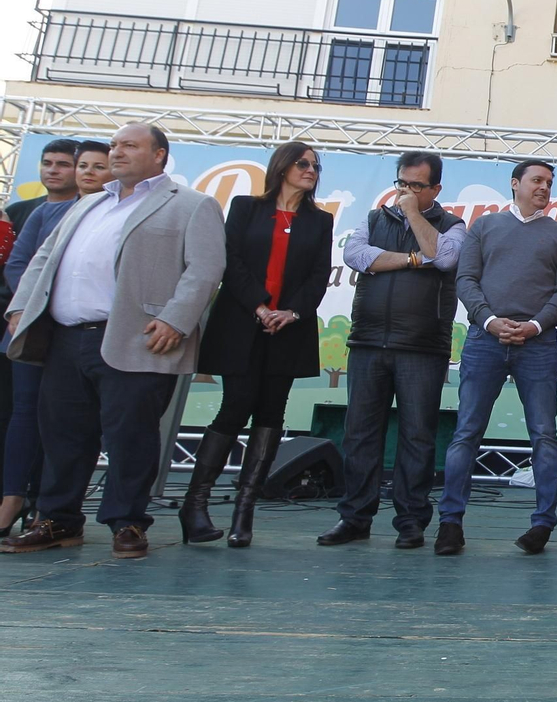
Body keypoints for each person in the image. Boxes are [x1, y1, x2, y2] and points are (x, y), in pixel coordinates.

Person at [1, 123, 225, 559]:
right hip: (66, 338)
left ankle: (128, 523)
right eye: (115, 145)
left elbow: (205, 268)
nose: (117, 152)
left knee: (131, 436)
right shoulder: (88, 205)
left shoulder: (191, 205)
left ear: (159, 155)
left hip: (137, 337)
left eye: (129, 145)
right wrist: (19, 308)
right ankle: (57, 521)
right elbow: (45, 258)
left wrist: (175, 321)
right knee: (62, 435)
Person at [184, 143, 332, 547]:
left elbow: (319, 275)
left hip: (289, 329)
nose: (311, 170)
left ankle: (244, 511)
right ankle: (195, 504)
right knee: (236, 405)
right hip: (241, 323)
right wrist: (260, 307)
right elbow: (231, 260)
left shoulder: (320, 221)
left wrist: (292, 313)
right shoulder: (246, 207)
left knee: (271, 413)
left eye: (316, 166)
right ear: (282, 167)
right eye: (303, 163)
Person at [318, 152, 467, 549]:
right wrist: (413, 259)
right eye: (402, 183)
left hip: (422, 346)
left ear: (436, 189)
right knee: (360, 435)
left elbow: (446, 257)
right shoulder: (372, 219)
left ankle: (411, 521)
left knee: (417, 436)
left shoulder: (452, 225)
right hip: (368, 342)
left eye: (416, 186)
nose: (405, 191)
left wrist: (416, 219)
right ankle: (354, 517)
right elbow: (355, 256)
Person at [441, 159, 557, 556]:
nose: (543, 187)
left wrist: (534, 326)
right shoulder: (485, 226)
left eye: (549, 182)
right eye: (537, 180)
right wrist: (488, 321)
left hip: (537, 345)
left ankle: (542, 525)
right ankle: (450, 524)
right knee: (467, 431)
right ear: (515, 184)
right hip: (484, 342)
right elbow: (465, 279)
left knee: (544, 435)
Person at [0, 140, 110, 534]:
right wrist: (29, 308)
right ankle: (12, 497)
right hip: (35, 328)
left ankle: (49, 507)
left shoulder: (113, 212)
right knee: (24, 414)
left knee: (67, 422)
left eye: (94, 166)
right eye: (79, 165)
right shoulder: (42, 212)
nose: (82, 172)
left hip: (83, 333)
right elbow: (20, 265)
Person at [5, 138, 79, 234]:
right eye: (47, 164)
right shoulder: (16, 211)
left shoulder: (91, 212)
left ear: (80, 169)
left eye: (63, 165)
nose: (52, 171)